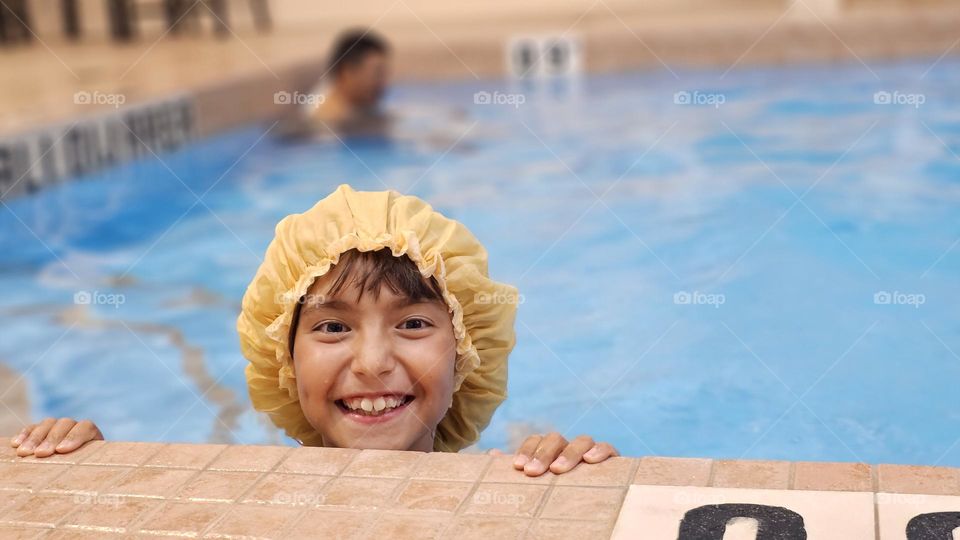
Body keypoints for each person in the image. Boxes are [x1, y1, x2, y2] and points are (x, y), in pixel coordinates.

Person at [11, 185, 618, 477]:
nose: (373, 362)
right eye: (332, 327)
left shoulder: (503, 482)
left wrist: (572, 474)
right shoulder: (246, 496)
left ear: (464, 354)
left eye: (412, 323)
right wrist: (92, 464)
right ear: (285, 358)